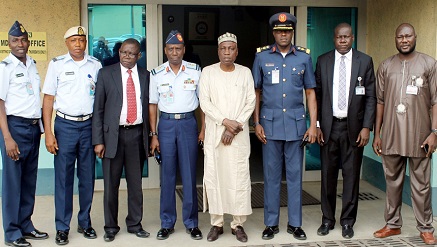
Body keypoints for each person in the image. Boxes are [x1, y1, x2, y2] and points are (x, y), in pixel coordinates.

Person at [252, 12, 317, 241]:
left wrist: (312, 125)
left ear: (292, 33)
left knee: (295, 176)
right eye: (279, 31)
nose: (283, 34)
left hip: (296, 126)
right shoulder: (261, 57)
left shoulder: (303, 58)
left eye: (287, 31)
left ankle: (295, 224)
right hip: (269, 126)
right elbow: (256, 93)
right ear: (273, 33)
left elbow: (310, 92)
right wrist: (256, 122)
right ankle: (271, 224)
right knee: (271, 177)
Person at [372, 23, 437, 245]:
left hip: (420, 136)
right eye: (400, 36)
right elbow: (379, 101)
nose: (404, 40)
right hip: (391, 134)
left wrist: (434, 132)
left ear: (415, 37)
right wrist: (376, 134)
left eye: (408, 36)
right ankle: (392, 225)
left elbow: (436, 101)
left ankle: (426, 228)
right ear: (395, 39)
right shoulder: (386, 65)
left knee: (421, 184)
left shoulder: (429, 64)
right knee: (392, 182)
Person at [315, 23, 376, 239]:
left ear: (352, 38)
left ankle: (348, 222)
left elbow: (370, 97)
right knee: (327, 177)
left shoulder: (365, 61)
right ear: (334, 39)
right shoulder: (323, 61)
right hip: (329, 128)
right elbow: (318, 95)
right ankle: (327, 219)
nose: (342, 40)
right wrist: (317, 125)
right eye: (339, 37)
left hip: (354, 129)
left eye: (346, 37)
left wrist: (367, 127)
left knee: (351, 177)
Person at [42, 26, 101, 245]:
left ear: (86, 42)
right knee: (64, 179)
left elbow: (100, 101)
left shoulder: (95, 65)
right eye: (74, 40)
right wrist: (48, 133)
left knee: (87, 178)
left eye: (81, 40)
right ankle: (62, 227)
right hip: (65, 126)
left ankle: (84, 222)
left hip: (88, 126)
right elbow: (48, 100)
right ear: (67, 43)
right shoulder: (57, 64)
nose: (78, 44)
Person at [92, 38, 150, 242]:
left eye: (131, 53)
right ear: (119, 53)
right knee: (111, 185)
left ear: (139, 55)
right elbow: (98, 109)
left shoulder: (145, 75)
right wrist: (98, 140)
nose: (126, 56)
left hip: (136, 135)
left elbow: (149, 108)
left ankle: (135, 224)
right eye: (123, 52)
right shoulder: (106, 74)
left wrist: (150, 137)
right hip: (111, 137)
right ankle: (110, 226)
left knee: (135, 185)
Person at [199, 32, 255, 243]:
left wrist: (233, 127)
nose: (227, 52)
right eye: (223, 48)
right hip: (215, 133)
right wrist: (224, 121)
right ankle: (217, 223)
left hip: (238, 136)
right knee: (215, 176)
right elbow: (204, 102)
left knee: (238, 177)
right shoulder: (208, 72)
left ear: (237, 51)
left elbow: (250, 102)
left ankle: (237, 224)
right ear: (218, 51)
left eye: (231, 48)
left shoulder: (245, 73)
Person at [149, 30, 204, 241]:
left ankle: (192, 223)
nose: (174, 52)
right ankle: (167, 223)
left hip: (189, 124)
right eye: (171, 49)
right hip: (167, 125)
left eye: (178, 49)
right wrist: (154, 134)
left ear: (184, 50)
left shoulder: (195, 71)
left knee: (190, 175)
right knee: (167, 176)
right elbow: (152, 106)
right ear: (165, 50)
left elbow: (203, 104)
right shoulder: (157, 74)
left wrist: (203, 129)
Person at [0, 20, 49, 247]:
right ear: (8, 43)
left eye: (23, 39)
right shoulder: (4, 68)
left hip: (32, 128)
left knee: (29, 180)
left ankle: (26, 225)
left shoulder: (32, 64)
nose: (20, 44)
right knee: (13, 182)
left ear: (28, 41)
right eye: (14, 40)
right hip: (14, 129)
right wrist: (8, 138)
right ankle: (12, 232)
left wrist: (39, 127)